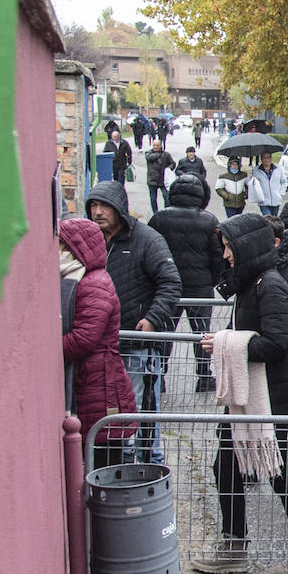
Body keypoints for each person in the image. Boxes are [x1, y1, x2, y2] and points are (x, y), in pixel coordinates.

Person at [190, 214, 288, 574]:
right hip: (254, 400)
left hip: (276, 401)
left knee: (283, 478)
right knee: (227, 468)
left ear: (246, 247)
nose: (226, 255)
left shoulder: (270, 286)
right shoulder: (252, 284)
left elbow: (278, 344)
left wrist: (226, 343)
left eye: (229, 246)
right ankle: (234, 546)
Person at [83, 180, 182, 464]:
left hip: (137, 347)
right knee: (110, 415)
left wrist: (152, 318)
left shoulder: (147, 239)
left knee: (139, 415)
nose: (98, 212)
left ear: (119, 209)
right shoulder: (92, 239)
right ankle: (120, 470)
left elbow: (171, 283)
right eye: (93, 206)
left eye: (104, 206)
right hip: (101, 347)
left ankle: (149, 469)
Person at [59, 217, 136, 469]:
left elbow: (85, 337)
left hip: (99, 383)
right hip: (92, 380)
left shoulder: (94, 284)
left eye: (61, 245)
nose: (56, 250)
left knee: (103, 458)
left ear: (75, 249)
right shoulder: (83, 278)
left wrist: (50, 352)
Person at [149, 173, 225, 393]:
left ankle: (158, 376)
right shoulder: (209, 220)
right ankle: (204, 376)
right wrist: (211, 281)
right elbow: (218, 256)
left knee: (165, 332)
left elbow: (150, 251)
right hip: (200, 287)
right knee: (202, 334)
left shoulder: (159, 218)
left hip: (166, 286)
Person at [249, 151, 287, 215]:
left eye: (268, 158)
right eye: (264, 158)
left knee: (274, 220)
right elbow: (252, 185)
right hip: (263, 201)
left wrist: (281, 194)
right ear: (261, 159)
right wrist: (251, 180)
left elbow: (284, 182)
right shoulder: (256, 170)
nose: (266, 160)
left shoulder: (278, 169)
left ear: (271, 158)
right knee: (268, 219)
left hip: (276, 200)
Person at [144, 139, 176, 214]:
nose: (155, 147)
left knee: (166, 196)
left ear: (161, 146)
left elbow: (173, 163)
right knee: (153, 198)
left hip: (163, 180)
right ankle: (155, 213)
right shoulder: (148, 153)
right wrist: (159, 154)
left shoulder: (166, 154)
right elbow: (149, 157)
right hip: (152, 180)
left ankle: (166, 212)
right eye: (154, 145)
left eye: (157, 145)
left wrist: (169, 168)